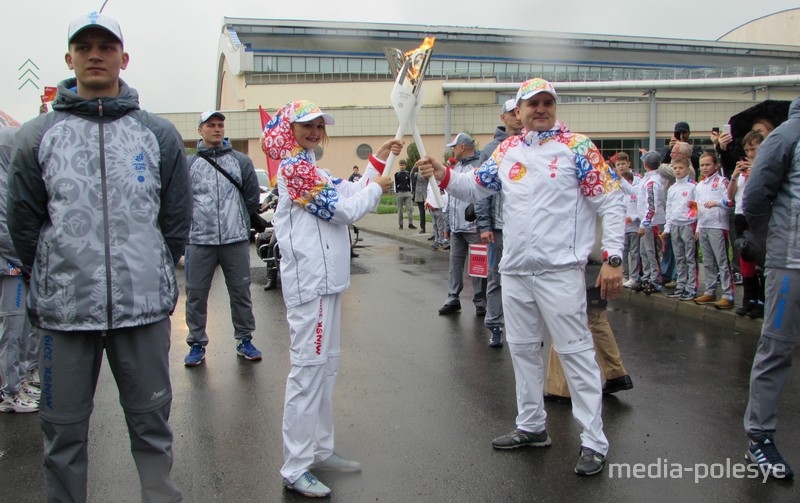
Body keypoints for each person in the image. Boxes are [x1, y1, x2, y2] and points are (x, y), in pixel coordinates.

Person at [7, 12, 188, 501]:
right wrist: (56, 272)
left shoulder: (158, 134)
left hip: (142, 309)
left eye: (105, 47)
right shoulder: (37, 136)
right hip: (65, 314)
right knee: (62, 435)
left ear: (123, 58)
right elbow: (24, 226)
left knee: (152, 428)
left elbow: (174, 224)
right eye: (83, 46)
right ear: (69, 58)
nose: (94, 54)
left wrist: (147, 268)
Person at [418, 78, 625, 477]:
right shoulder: (508, 149)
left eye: (548, 103)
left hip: (560, 270)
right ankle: (532, 426)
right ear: (520, 111)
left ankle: (594, 440)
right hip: (514, 269)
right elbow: (472, 188)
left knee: (575, 353)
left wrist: (614, 257)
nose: (541, 109)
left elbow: (611, 201)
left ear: (555, 106)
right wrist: (442, 173)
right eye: (533, 104)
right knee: (524, 350)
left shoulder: (577, 147)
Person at [263, 99, 399, 498]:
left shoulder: (311, 166)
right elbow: (342, 210)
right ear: (290, 128)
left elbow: (346, 188)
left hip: (329, 280)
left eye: (319, 125)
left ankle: (319, 448)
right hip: (311, 282)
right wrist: (377, 188)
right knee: (308, 372)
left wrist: (377, 161)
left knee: (327, 368)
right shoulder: (294, 168)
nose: (314, 131)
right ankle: (295, 465)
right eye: (306, 124)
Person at [741, 96, 800, 481]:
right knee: (776, 348)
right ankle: (759, 437)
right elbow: (755, 199)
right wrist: (772, 247)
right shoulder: (787, 135)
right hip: (791, 264)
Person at [183, 110, 262, 366]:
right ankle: (196, 343)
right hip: (199, 240)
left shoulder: (241, 162)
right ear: (200, 130)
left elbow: (251, 198)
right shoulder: (189, 164)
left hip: (234, 239)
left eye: (220, 125)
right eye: (210, 125)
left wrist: (238, 220)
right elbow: (181, 200)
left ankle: (244, 340)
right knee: (196, 293)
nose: (216, 129)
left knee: (240, 292)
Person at [544, 262, 633, 401]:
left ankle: (560, 387)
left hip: (574, 271)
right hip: (596, 271)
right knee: (597, 320)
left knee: (563, 322)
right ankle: (616, 373)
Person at [475, 98, 523, 347]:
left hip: (526, 228)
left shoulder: (533, 145)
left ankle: (525, 329)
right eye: (511, 113)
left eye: (519, 111)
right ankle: (495, 325)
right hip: (499, 228)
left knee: (526, 277)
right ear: (503, 117)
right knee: (496, 277)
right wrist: (485, 225)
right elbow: (480, 189)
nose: (517, 116)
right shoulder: (491, 150)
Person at [0, 126, 39, 414]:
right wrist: (27, 261)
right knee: (12, 332)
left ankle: (20, 381)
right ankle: (8, 392)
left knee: (23, 330)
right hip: (10, 269)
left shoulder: (10, 179)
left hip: (19, 268)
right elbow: (6, 232)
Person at [437, 132, 487, 317]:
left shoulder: (479, 166)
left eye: (454, 146)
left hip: (474, 227)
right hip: (457, 227)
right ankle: (453, 298)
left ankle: (481, 301)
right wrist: (448, 225)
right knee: (455, 264)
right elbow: (450, 198)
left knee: (478, 266)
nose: (453, 150)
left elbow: (483, 195)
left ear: (462, 147)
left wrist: (483, 223)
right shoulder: (456, 167)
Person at [728, 131, 766, 318]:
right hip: (740, 215)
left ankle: (761, 301)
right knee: (745, 261)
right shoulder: (743, 169)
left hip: (757, 217)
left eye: (754, 149)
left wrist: (755, 171)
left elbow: (763, 189)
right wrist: (735, 176)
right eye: (747, 150)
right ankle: (748, 300)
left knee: (759, 261)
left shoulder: (766, 166)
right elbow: (730, 195)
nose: (750, 153)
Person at [693, 150, 735, 309]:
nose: (704, 168)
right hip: (703, 225)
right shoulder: (699, 185)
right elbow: (697, 207)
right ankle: (710, 291)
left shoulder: (722, 181)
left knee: (722, 261)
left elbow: (730, 202)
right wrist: (697, 226)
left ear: (716, 165)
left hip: (718, 225)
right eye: (702, 165)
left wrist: (716, 204)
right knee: (708, 262)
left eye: (707, 164)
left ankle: (728, 295)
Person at [660, 157, 698, 301]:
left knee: (690, 257)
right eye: (675, 168)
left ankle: (691, 287)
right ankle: (681, 285)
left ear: (688, 169)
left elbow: (696, 207)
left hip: (688, 225)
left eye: (680, 168)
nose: (677, 171)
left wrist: (692, 221)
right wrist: (667, 228)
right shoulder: (672, 188)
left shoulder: (693, 187)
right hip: (675, 225)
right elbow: (669, 208)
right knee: (679, 257)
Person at [632, 151, 666, 295]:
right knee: (644, 252)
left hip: (652, 223)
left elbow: (652, 207)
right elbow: (634, 191)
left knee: (652, 253)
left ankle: (655, 281)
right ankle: (646, 277)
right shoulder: (646, 180)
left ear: (645, 164)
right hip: (647, 222)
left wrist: (643, 225)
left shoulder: (653, 181)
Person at [613, 153, 642, 289]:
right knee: (623, 251)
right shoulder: (615, 181)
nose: (621, 167)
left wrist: (635, 216)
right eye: (618, 165)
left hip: (634, 224)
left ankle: (634, 276)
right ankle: (624, 275)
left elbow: (639, 198)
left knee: (635, 252)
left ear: (628, 164)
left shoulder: (637, 180)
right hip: (621, 224)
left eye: (623, 164)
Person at [395, 159, 414, 229]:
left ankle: (410, 224)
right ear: (399, 165)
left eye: (403, 165)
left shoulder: (408, 173)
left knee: (409, 209)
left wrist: (411, 191)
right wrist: (396, 192)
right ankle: (401, 224)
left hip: (407, 193)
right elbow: (395, 183)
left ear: (405, 166)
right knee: (400, 210)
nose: (401, 166)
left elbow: (410, 183)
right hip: (399, 193)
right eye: (400, 165)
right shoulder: (397, 174)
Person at [410, 163, 427, 235]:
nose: (421, 169)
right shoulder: (416, 174)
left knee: (433, 213)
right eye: (420, 168)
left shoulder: (427, 175)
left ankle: (435, 229)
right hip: (419, 196)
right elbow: (411, 175)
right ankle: (422, 228)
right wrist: (414, 166)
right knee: (422, 213)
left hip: (428, 196)